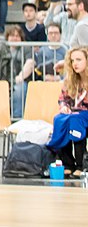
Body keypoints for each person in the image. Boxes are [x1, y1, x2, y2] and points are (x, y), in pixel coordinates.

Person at [47, 46, 88, 176]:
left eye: (79, 59)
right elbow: (63, 99)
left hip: (84, 114)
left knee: (76, 120)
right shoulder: (70, 80)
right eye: (72, 60)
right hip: (74, 114)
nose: (75, 63)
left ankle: (81, 165)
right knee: (59, 119)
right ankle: (68, 163)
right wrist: (64, 106)